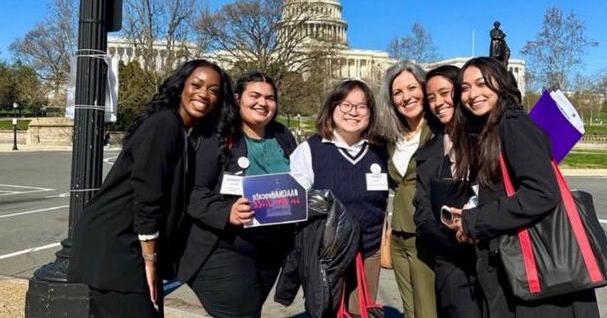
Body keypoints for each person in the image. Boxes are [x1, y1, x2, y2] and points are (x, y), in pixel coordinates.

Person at [69, 59, 235, 318]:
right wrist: (150, 260)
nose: (204, 94)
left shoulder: (181, 132)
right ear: (181, 87)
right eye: (197, 85)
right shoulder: (164, 125)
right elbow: (148, 193)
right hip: (117, 247)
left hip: (127, 246)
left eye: (213, 90)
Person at [447, 57, 599, 317]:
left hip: (537, 273)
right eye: (464, 87)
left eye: (482, 83)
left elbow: (541, 192)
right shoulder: (491, 130)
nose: (472, 94)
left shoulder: (513, 125)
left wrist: (476, 219)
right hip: (518, 266)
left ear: (502, 84)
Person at [178, 71, 297, 318]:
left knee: (250, 311)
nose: (262, 103)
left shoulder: (283, 136)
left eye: (270, 98)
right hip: (223, 245)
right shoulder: (217, 135)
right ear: (237, 99)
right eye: (254, 95)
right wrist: (227, 212)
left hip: (269, 250)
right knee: (241, 312)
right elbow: (192, 192)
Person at [290, 79, 388, 315]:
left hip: (368, 252)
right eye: (345, 105)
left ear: (370, 113)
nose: (353, 112)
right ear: (332, 108)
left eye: (362, 106)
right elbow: (296, 202)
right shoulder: (311, 149)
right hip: (328, 255)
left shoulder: (380, 150)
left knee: (360, 312)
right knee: (327, 311)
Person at [412, 65, 484, 318]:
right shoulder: (428, 153)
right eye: (431, 98)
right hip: (454, 266)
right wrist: (456, 239)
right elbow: (422, 215)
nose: (438, 103)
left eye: (444, 93)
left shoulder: (490, 139)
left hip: (494, 261)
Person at [376, 60, 436, 318]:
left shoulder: (439, 132)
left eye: (412, 88)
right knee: (409, 310)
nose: (406, 97)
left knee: (428, 310)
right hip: (398, 234)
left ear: (424, 88)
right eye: (397, 93)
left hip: (425, 233)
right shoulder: (392, 136)